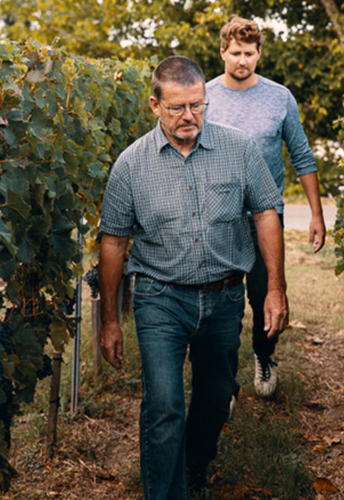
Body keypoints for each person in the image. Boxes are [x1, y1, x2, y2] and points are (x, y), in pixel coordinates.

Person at [98, 56, 289, 499]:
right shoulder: (130, 165)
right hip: (159, 297)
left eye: (198, 106)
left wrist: (275, 288)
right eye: (177, 108)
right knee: (164, 406)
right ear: (154, 105)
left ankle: (197, 460)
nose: (189, 117)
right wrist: (110, 319)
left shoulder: (238, 149)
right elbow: (113, 243)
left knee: (215, 395)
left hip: (224, 297)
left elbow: (265, 212)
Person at [206, 16, 326, 398]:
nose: (243, 60)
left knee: (265, 296)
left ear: (260, 53)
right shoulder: (204, 96)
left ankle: (263, 354)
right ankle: (222, 382)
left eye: (250, 53)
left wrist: (316, 214)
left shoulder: (279, 97)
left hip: (266, 217)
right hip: (218, 216)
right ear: (223, 51)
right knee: (220, 302)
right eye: (236, 52)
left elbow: (302, 157)